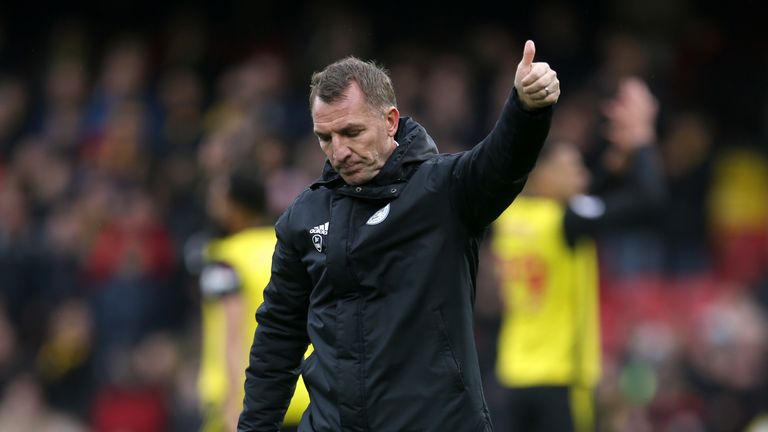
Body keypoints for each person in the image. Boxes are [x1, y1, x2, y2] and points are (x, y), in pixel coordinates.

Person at [238, 40, 559, 431]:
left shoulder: (442, 191)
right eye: (326, 138)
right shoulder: (303, 218)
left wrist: (526, 109)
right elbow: (277, 339)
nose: (338, 152)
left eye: (351, 132)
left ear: (390, 121)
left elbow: (501, 163)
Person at [490, 77, 664, 432]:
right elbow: (649, 202)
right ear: (542, 176)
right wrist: (643, 140)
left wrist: (614, 167)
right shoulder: (566, 221)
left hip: (512, 373)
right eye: (573, 169)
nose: (583, 178)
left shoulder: (509, 217)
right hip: (560, 378)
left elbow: (587, 199)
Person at [198, 167, 310, 432]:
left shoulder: (225, 260)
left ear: (237, 209)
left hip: (251, 401)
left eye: (218, 202)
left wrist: (232, 408)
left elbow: (232, 334)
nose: (211, 208)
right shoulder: (286, 247)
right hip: (305, 394)